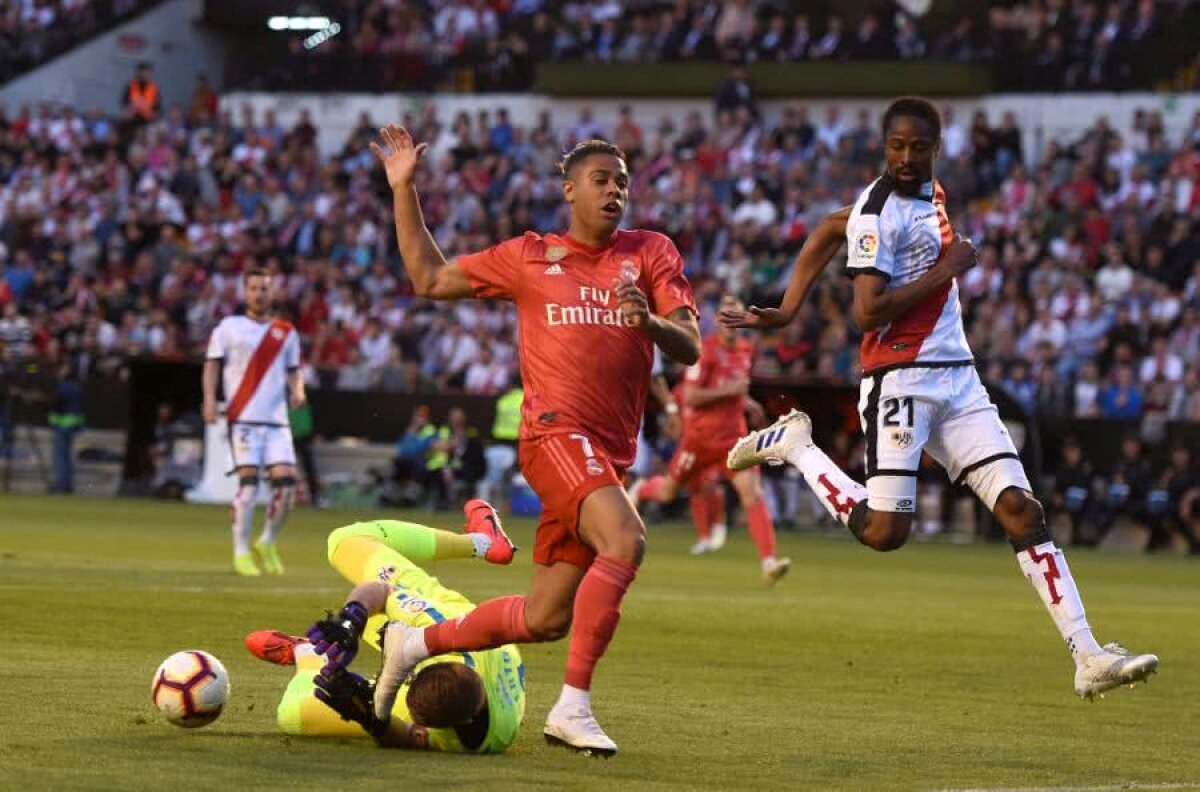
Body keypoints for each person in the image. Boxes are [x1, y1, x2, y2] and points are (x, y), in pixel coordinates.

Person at [724, 97, 1157, 700]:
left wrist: (790, 306)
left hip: (959, 380)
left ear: (935, 146)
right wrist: (948, 268)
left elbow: (828, 226)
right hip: (900, 379)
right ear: (884, 144)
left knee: (1021, 510)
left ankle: (1087, 656)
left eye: (917, 147)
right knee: (884, 532)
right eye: (896, 146)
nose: (906, 157)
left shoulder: (930, 195)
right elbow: (867, 310)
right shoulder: (880, 213)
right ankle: (798, 449)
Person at [359, 126, 699, 756]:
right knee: (625, 540)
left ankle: (415, 644)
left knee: (544, 618)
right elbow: (429, 279)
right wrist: (404, 189)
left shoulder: (651, 253)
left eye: (623, 181)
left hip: (607, 455)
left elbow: (691, 345)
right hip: (554, 436)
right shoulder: (529, 256)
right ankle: (572, 707)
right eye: (601, 180)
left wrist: (648, 321)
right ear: (569, 191)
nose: (615, 191)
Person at [244, 501, 525, 752]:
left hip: (451, 678)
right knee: (345, 541)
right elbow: (381, 591)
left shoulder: (472, 737)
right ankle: (483, 542)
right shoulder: (433, 627)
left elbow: (405, 736)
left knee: (294, 717)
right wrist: (350, 618)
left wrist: (370, 719)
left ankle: (308, 654)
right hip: (450, 616)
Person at [630, 294, 789, 583]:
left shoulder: (745, 349)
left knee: (752, 494)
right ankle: (643, 490)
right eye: (725, 312)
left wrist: (747, 403)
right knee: (668, 491)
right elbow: (692, 396)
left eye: (735, 313)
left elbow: (734, 389)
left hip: (734, 439)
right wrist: (731, 391)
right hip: (700, 439)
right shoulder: (705, 351)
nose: (730, 318)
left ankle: (769, 562)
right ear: (717, 320)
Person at [202, 267, 306, 576]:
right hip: (244, 419)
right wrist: (210, 400)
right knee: (248, 485)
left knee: (287, 486)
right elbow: (211, 366)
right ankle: (241, 552)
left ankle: (268, 540)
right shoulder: (229, 327)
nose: (259, 293)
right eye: (254, 288)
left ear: (272, 293)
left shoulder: (286, 332)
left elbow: (294, 369)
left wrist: (298, 391)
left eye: (265, 288)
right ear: (245, 292)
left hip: (276, 421)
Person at [48, 361, 84, 494]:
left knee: (60, 456)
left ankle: (61, 484)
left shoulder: (64, 387)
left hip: (62, 424)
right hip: (74, 425)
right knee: (68, 456)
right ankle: (67, 484)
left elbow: (57, 404)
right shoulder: (77, 386)